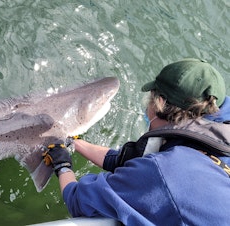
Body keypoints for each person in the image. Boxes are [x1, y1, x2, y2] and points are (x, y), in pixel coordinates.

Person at [42, 58, 230, 225]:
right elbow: (126, 161)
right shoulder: (217, 134)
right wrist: (75, 143)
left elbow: (79, 201)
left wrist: (63, 165)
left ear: (160, 103)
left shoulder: (164, 172)